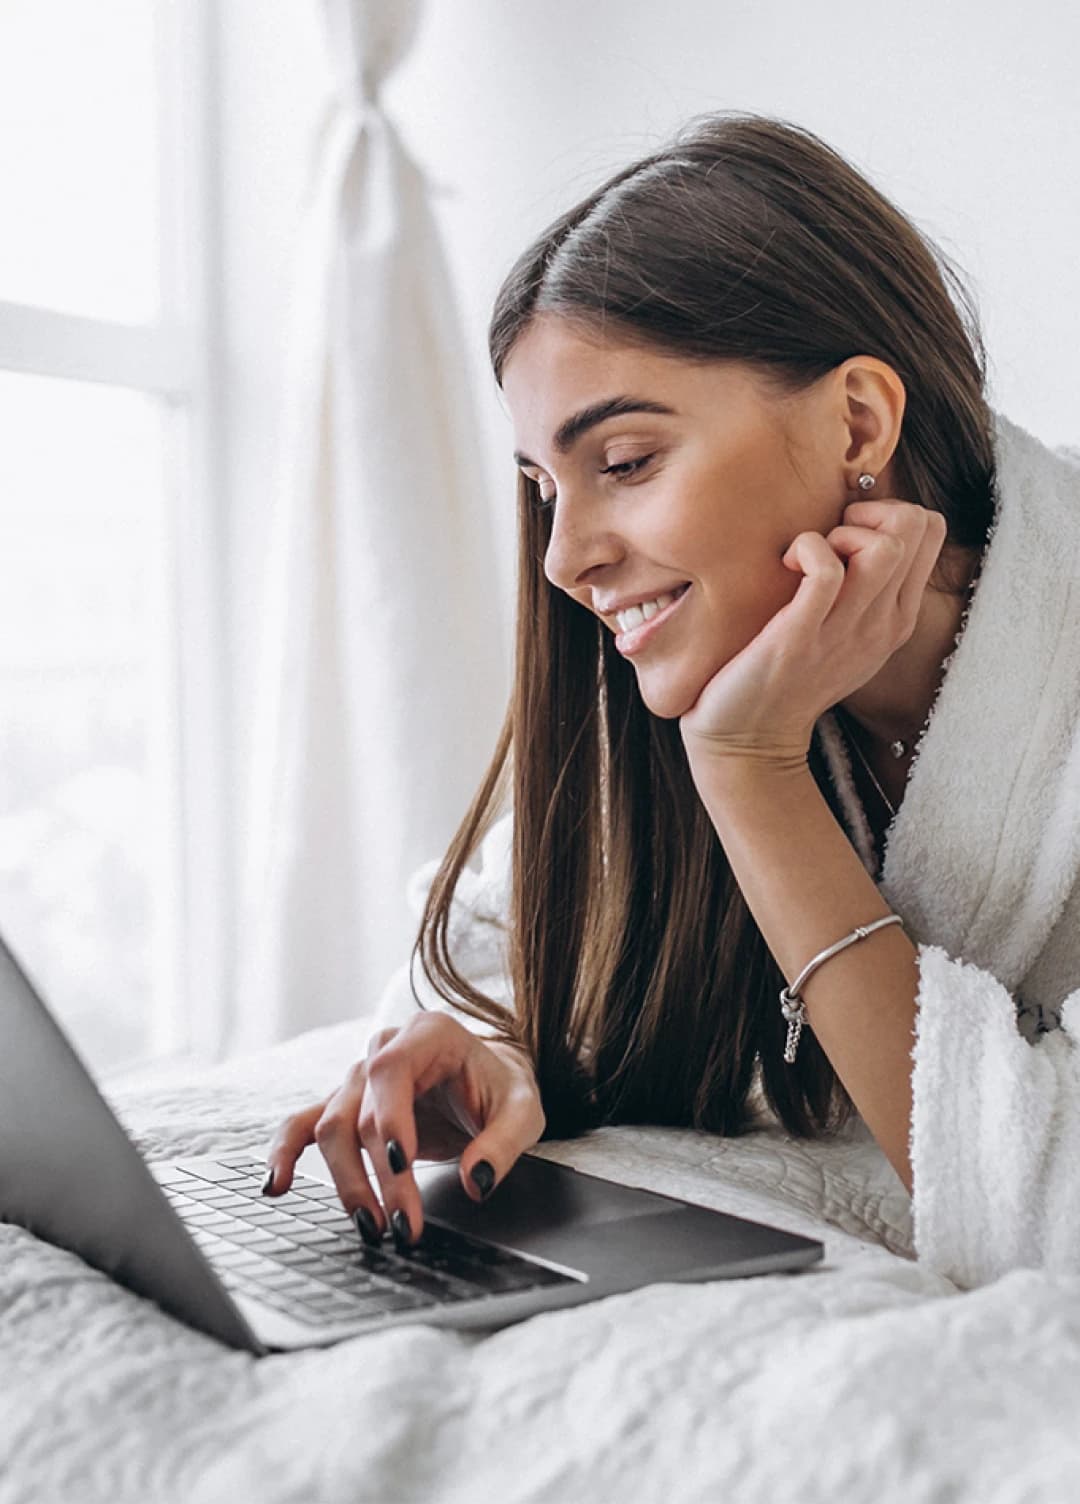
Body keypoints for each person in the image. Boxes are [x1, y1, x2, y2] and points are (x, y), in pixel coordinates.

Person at [264, 111, 1080, 1287]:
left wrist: (753, 770)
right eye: (544, 486)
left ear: (859, 420)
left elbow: (1046, 1213)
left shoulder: (751, 706)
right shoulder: (700, 660)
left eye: (628, 462)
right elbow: (505, 940)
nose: (563, 559)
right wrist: (492, 1043)